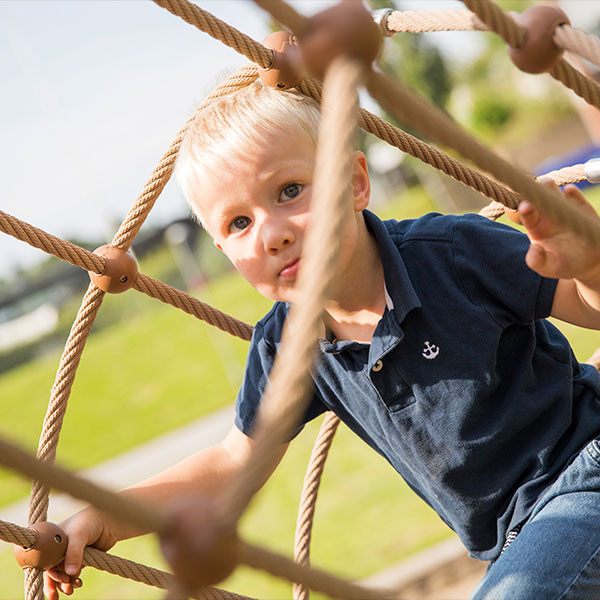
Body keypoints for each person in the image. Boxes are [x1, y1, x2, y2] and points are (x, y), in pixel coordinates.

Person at [44, 79, 600, 600]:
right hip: (510, 539)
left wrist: (589, 264)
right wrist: (106, 517)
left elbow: (586, 305)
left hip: (583, 470)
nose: (272, 231)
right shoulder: (287, 346)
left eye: (289, 191)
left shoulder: (452, 254)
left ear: (356, 182)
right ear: (221, 251)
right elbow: (232, 464)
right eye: (238, 223)